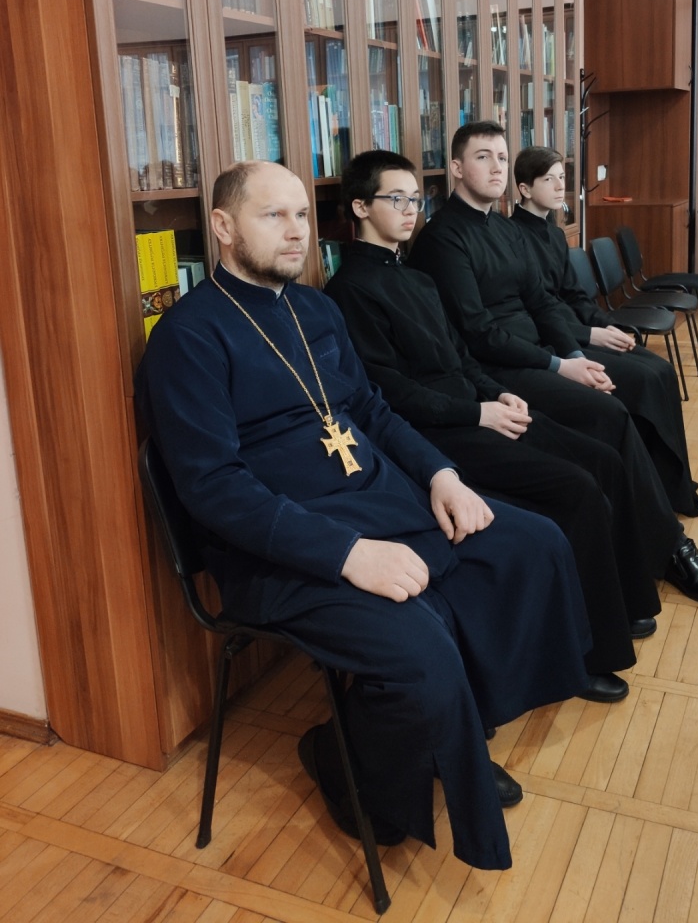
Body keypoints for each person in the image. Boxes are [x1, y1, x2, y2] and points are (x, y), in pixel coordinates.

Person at [134, 159, 593, 873]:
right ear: (222, 226)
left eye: (301, 215)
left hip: (379, 499)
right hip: (283, 549)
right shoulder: (186, 337)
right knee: (421, 651)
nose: (296, 232)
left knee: (532, 544)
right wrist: (348, 554)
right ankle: (347, 767)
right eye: (273, 215)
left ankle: (458, 729)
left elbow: (370, 411)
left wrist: (441, 476)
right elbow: (214, 489)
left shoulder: (315, 308)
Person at [325, 149, 669, 703]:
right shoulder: (348, 291)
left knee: (603, 458)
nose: (411, 210)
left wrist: (496, 393)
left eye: (415, 199)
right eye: (396, 199)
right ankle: (583, 654)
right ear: (361, 207)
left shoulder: (415, 276)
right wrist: (478, 412)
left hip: (475, 407)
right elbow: (389, 392)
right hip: (437, 432)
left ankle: (624, 604)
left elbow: (461, 355)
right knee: (576, 488)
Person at [407, 121, 698, 609]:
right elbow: (478, 333)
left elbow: (543, 301)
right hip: (496, 370)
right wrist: (559, 366)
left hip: (538, 349)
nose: (497, 167)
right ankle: (670, 550)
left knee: (624, 389)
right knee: (610, 415)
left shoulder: (505, 228)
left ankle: (655, 531)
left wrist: (577, 356)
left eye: (502, 157)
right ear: (456, 168)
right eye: (483, 157)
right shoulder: (441, 238)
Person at [512, 144, 698, 517]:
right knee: (643, 381)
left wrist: (605, 323)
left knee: (661, 370)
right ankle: (655, 492)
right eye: (548, 179)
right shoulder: (513, 236)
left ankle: (673, 483)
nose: (559, 187)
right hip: (554, 338)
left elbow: (573, 295)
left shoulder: (554, 233)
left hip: (577, 327)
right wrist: (589, 336)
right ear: (524, 188)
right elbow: (537, 309)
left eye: (562, 178)